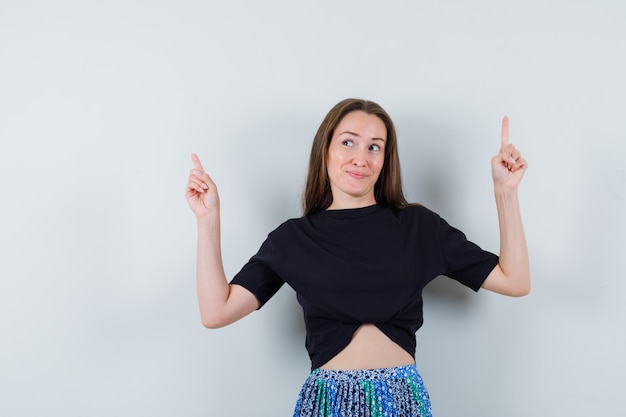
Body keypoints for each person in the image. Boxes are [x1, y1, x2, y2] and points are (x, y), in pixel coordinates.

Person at [185, 98, 530, 417]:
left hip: (400, 400)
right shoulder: (292, 239)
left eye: (374, 147)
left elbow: (514, 281)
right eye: (348, 142)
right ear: (326, 149)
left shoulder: (419, 227)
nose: (360, 158)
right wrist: (208, 221)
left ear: (385, 159)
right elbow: (217, 311)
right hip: (326, 403)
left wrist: (505, 192)